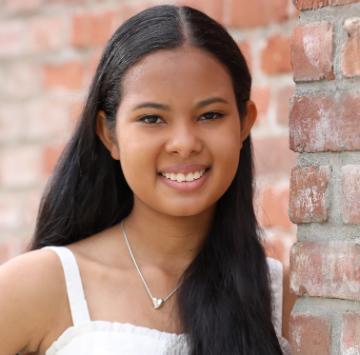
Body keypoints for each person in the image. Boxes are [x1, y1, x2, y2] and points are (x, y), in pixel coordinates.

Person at [0, 4, 292, 355]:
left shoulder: (279, 296)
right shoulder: (43, 283)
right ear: (109, 135)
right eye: (152, 119)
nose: (184, 144)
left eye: (210, 115)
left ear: (244, 123)